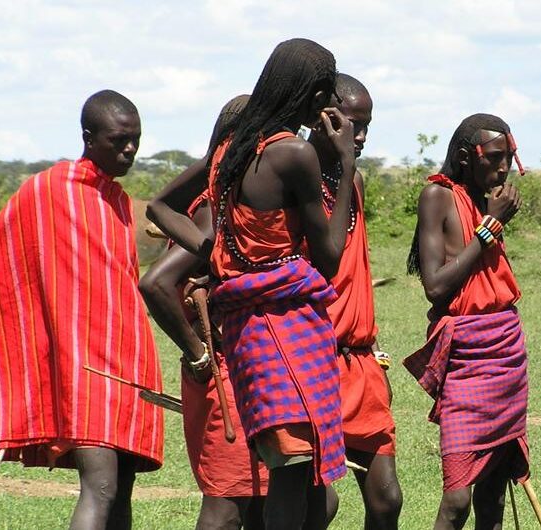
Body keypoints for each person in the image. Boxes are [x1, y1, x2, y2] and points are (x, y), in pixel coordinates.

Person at [149, 38, 355, 530]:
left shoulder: (229, 151)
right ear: (312, 92)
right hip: (287, 328)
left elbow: (160, 207)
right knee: (293, 476)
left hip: (244, 333)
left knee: (290, 471)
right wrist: (345, 164)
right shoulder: (294, 154)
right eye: (324, 92)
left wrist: (215, 254)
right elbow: (328, 259)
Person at [0, 89, 164, 529]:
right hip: (85, 368)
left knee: (123, 487)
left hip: (129, 364)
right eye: (118, 140)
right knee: (101, 487)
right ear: (88, 137)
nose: (129, 149)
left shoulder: (118, 202)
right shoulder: (48, 190)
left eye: (136, 139)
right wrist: (38, 330)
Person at [140, 95, 267, 529]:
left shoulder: (238, 206)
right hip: (225, 374)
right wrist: (198, 354)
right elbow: (155, 282)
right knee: (228, 503)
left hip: (247, 370)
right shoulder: (215, 210)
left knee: (273, 501)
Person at [404, 113, 529, 530]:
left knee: (493, 492)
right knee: (457, 499)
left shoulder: (484, 199)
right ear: (464, 156)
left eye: (509, 158)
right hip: (466, 358)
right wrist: (491, 226)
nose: (503, 168)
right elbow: (436, 286)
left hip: (505, 353)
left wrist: (490, 218)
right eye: (494, 157)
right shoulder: (437, 197)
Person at [310, 73, 403, 529]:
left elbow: (355, 275)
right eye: (352, 125)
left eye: (366, 126)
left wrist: (373, 350)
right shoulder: (295, 178)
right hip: (313, 362)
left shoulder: (356, 182)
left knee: (386, 500)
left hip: (360, 362)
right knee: (318, 505)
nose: (360, 136)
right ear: (323, 118)